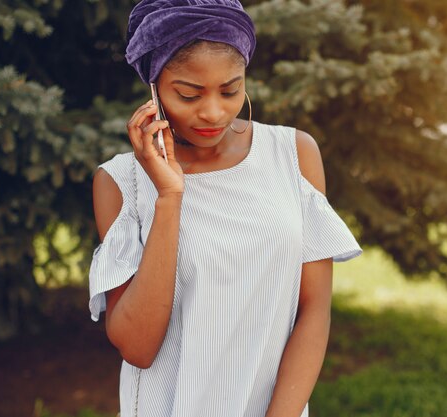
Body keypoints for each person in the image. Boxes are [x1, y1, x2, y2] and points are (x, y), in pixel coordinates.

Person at [88, 1, 362, 416]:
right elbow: (137, 347)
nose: (213, 112)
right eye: (188, 94)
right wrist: (169, 197)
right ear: (154, 88)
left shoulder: (293, 155)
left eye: (230, 90)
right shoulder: (120, 182)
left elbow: (314, 311)